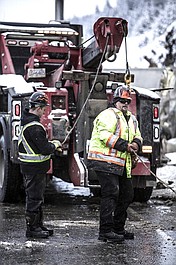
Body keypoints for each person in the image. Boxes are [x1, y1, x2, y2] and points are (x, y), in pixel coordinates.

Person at [87, 84, 143, 243]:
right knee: (111, 193)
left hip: (121, 163)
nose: (125, 103)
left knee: (127, 194)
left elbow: (138, 135)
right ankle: (105, 231)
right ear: (115, 101)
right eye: (121, 101)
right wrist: (125, 145)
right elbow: (104, 135)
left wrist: (136, 145)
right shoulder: (108, 115)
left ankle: (118, 228)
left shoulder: (131, 118)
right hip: (104, 161)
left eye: (127, 101)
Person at [18, 91, 61, 239]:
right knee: (34, 198)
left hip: (32, 168)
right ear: (38, 108)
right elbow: (44, 148)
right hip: (34, 169)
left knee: (37, 197)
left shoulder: (27, 122)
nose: (44, 112)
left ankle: (38, 225)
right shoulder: (34, 127)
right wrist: (55, 145)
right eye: (43, 109)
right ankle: (32, 229)